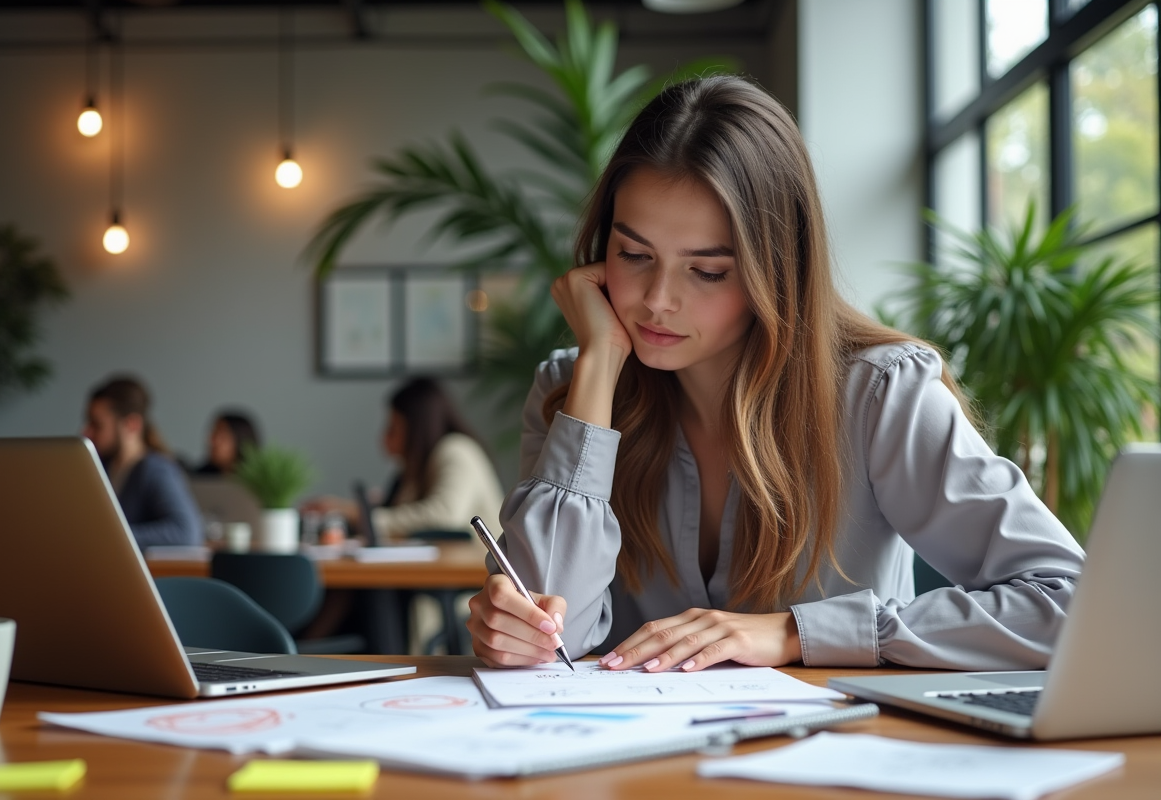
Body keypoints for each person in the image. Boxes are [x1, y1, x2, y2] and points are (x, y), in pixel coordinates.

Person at [466, 75, 1085, 673]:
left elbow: (1068, 602)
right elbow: (554, 638)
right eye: (634, 255)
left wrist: (797, 632)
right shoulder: (571, 393)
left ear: (776, 271)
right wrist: (598, 365)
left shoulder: (878, 394)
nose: (657, 299)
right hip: (637, 772)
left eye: (706, 271)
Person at [304, 377, 504, 541]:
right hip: (436, 572)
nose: (383, 437)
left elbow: (444, 516)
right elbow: (404, 513)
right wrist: (370, 507)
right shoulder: (415, 469)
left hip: (470, 576)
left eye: (392, 428)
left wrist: (358, 513)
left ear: (417, 428)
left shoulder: (457, 451)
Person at [82, 375, 202, 550]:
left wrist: (108, 537)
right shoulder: (103, 468)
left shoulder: (155, 469)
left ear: (132, 424)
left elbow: (186, 532)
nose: (86, 432)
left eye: (97, 425)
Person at [191, 410, 261, 475]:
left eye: (222, 436)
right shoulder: (199, 477)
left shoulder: (257, 479)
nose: (211, 441)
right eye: (213, 434)